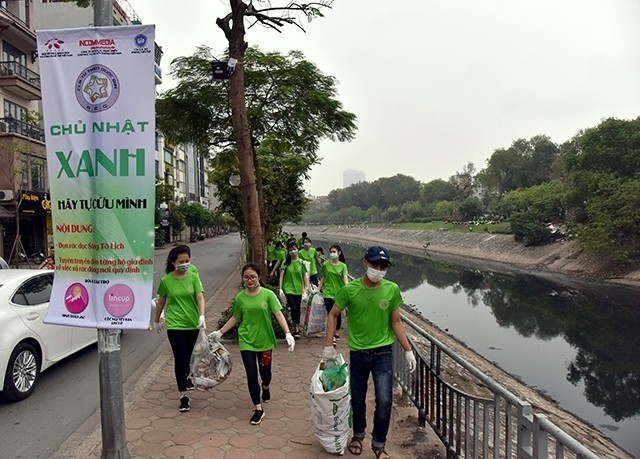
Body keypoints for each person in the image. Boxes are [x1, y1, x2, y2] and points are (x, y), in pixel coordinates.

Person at [324, 245, 417, 459]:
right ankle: (358, 435)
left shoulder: (391, 289)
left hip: (383, 353)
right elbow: (333, 314)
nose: (378, 269)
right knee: (357, 398)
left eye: (383, 266)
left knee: (384, 400)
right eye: (375, 264)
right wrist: (329, 346)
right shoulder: (350, 290)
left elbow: (396, 321)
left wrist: (408, 349)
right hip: (358, 353)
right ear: (365, 263)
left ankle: (378, 444)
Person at [212, 263, 295, 425]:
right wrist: (220, 332)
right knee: (251, 374)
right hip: (247, 341)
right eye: (246, 277)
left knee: (265, 374)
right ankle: (258, 408)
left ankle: (265, 386)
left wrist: (287, 333)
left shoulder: (268, 295)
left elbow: (278, 313)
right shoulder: (240, 298)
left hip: (265, 342)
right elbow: (235, 317)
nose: (249, 280)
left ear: (258, 277)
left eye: (253, 277)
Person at [154, 245, 206, 413]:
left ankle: (186, 376)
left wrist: (202, 315)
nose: (185, 264)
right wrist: (157, 320)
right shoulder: (166, 281)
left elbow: (200, 296)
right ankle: (183, 395)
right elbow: (161, 301)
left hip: (192, 323)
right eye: (181, 261)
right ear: (173, 262)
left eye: (187, 261)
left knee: (188, 356)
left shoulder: (193, 277)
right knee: (180, 356)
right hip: (175, 324)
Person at [317, 244, 348, 345]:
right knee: (331, 313)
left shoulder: (343, 266)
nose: (332, 254)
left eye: (334, 252)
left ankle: (336, 330)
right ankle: (332, 336)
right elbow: (323, 278)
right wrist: (318, 289)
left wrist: (348, 289)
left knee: (337, 314)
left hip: (339, 293)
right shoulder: (326, 265)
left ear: (339, 253)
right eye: (331, 252)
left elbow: (345, 278)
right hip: (328, 293)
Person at [278, 241, 308, 338]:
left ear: (298, 249)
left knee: (297, 308)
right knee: (293, 307)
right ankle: (295, 327)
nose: (293, 251)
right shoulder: (286, 263)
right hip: (288, 288)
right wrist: (280, 288)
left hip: (298, 289)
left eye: (294, 249)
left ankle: (297, 327)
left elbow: (305, 277)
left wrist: (305, 290)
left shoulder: (301, 263)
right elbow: (281, 276)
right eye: (290, 250)